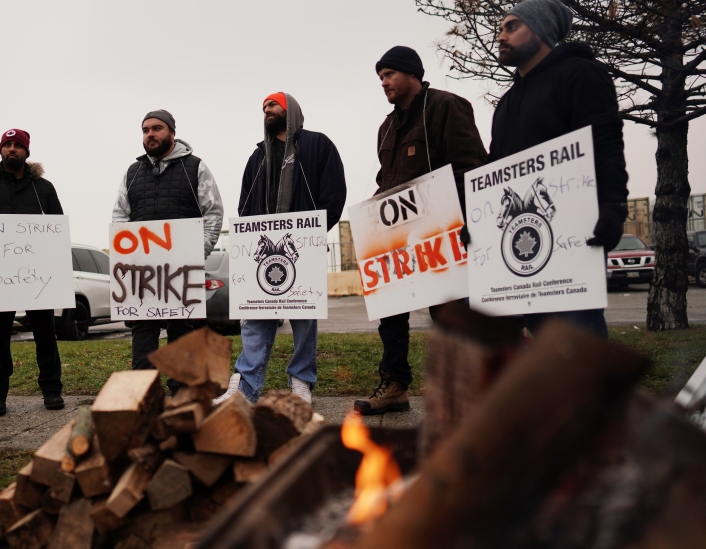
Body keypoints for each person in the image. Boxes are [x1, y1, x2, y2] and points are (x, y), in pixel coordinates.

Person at [471, 0, 628, 337]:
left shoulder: (581, 74)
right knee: (542, 346)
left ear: (541, 31)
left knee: (575, 342)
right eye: (500, 28)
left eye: (512, 26)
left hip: (573, 237)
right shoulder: (506, 103)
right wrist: (478, 225)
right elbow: (495, 172)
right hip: (523, 245)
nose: (500, 35)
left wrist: (614, 206)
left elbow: (605, 142)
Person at [354, 47, 489, 416]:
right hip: (398, 237)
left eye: (389, 74)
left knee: (449, 313)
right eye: (380, 77)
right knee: (391, 313)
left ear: (413, 74)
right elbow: (389, 180)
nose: (383, 83)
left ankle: (468, 387)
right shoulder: (387, 126)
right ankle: (394, 385)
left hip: (443, 233)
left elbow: (472, 166)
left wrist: (463, 219)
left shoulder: (446, 106)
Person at [216, 93, 346, 405]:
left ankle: (301, 382)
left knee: (304, 317)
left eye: (272, 105)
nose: (266, 110)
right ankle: (245, 387)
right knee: (256, 318)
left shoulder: (318, 145)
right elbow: (245, 203)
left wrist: (313, 235)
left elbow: (334, 193)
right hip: (262, 249)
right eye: (263, 108)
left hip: (301, 248)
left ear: (290, 110)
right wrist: (248, 239)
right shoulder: (258, 156)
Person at [111, 110, 224, 394]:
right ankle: (145, 393)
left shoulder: (195, 167)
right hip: (142, 273)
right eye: (146, 129)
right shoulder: (132, 173)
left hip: (182, 272)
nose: (151, 134)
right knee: (143, 331)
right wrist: (127, 258)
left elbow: (213, 212)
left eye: (157, 128)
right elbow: (120, 217)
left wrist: (198, 253)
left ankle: (182, 393)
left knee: (182, 330)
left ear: (172, 132)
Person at [0, 129, 65, 417]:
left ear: (27, 151)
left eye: (17, 145)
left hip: (37, 277)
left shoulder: (43, 188)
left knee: (46, 332)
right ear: (0, 150)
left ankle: (52, 389)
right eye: (7, 145)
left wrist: (58, 270)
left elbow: (57, 231)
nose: (12, 150)